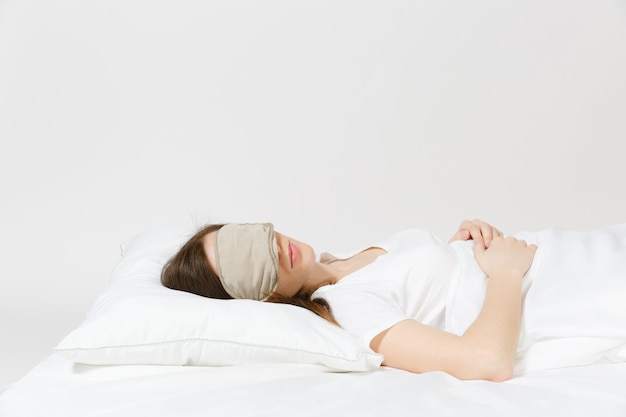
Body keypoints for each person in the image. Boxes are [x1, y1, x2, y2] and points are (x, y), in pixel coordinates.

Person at [161, 219, 626, 381]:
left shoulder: (342, 260)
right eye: (245, 263)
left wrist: (464, 245)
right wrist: (504, 272)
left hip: (579, 253)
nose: (269, 247)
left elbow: (433, 293)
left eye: (243, 237)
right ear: (255, 299)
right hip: (576, 290)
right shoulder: (347, 309)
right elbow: (485, 362)